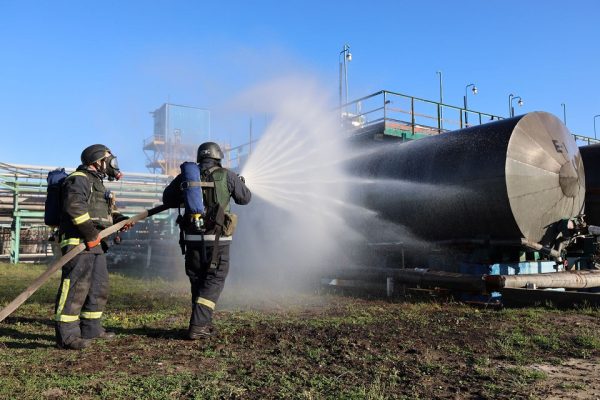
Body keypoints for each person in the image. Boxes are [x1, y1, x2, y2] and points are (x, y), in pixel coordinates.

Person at [163, 142, 251, 339]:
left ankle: (203, 323)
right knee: (214, 279)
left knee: (199, 280)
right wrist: (240, 182)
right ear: (218, 157)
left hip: (192, 239)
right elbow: (245, 198)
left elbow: (167, 199)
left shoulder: (187, 176)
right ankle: (198, 326)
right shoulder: (227, 175)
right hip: (218, 240)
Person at [54, 144, 128, 350]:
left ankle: (91, 328)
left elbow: (104, 213)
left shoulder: (98, 183)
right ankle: (67, 336)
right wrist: (90, 234)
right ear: (98, 161)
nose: (113, 164)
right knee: (76, 287)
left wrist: (121, 219)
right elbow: (74, 208)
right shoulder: (78, 179)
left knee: (98, 286)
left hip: (96, 243)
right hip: (78, 242)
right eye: (109, 160)